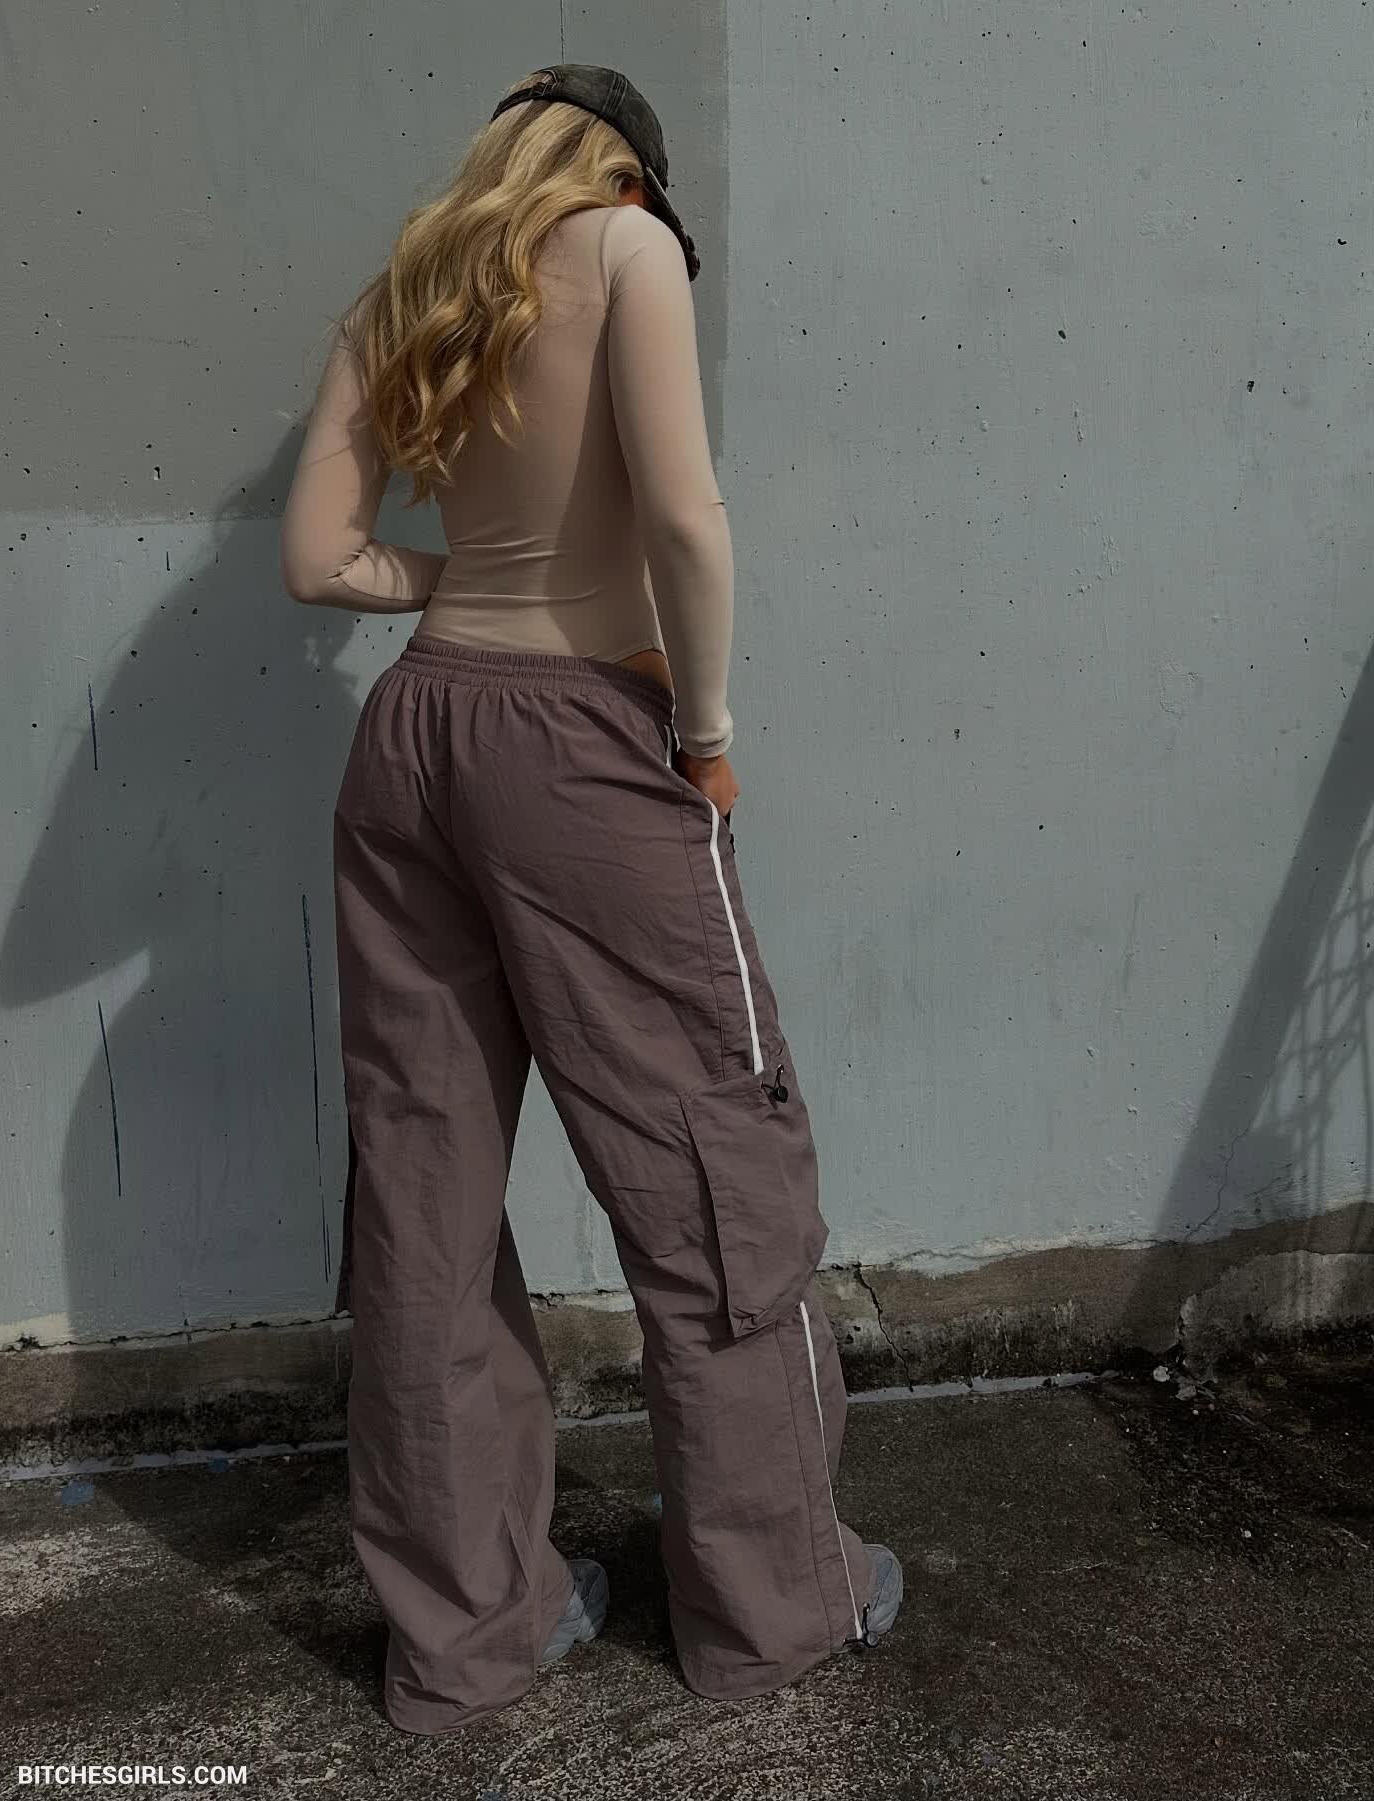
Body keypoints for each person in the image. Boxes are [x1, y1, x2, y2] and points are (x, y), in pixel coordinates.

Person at [279, 63, 903, 1737]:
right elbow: (687, 518)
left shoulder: (409, 285)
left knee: (421, 1196)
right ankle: (775, 1604)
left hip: (413, 736)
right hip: (582, 746)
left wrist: (469, 581)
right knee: (715, 1163)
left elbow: (317, 558)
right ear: (629, 165)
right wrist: (705, 732)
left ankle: (467, 1637)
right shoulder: (630, 248)